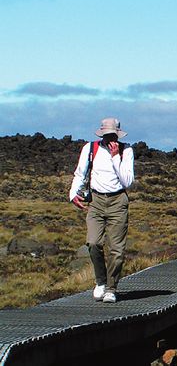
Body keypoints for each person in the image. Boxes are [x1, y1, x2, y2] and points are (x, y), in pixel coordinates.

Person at [69, 118, 134, 303]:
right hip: (96, 201)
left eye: (113, 135)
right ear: (102, 134)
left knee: (117, 250)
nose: (110, 138)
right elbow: (80, 173)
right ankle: (101, 282)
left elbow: (127, 181)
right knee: (93, 243)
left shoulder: (126, 150)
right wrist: (73, 194)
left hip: (118, 201)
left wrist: (115, 157)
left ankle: (111, 289)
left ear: (118, 135)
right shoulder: (90, 148)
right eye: (107, 135)